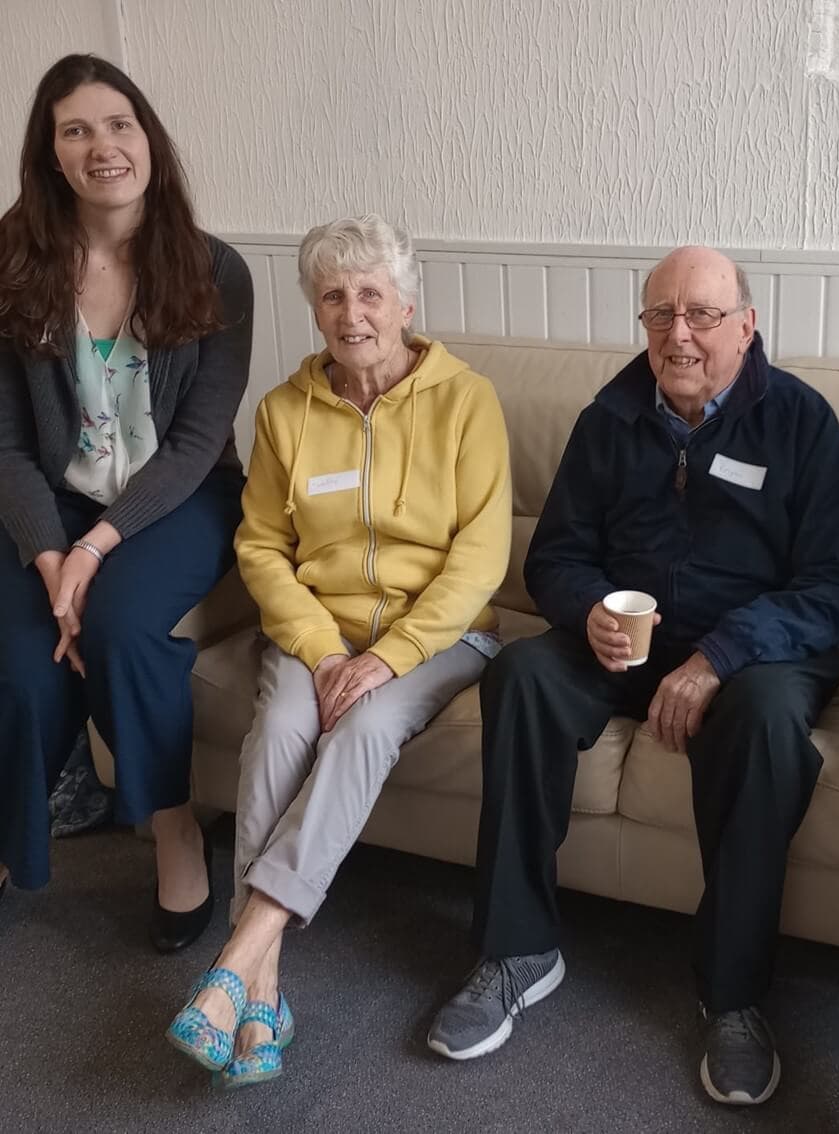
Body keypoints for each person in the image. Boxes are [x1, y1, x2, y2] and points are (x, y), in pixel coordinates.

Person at [428, 245, 839, 1106]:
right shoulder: (612, 418)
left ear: (747, 327)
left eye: (702, 315)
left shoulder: (799, 422)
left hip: (756, 655)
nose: (678, 336)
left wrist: (721, 655)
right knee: (522, 677)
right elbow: (556, 553)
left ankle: (735, 993)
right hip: (625, 646)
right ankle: (516, 950)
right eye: (660, 316)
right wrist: (590, 605)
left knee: (764, 730)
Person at [166, 215, 512, 1088]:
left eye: (369, 293)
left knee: (360, 732)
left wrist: (388, 657)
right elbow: (260, 549)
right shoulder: (285, 412)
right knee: (280, 732)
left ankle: (236, 957)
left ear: (405, 304)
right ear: (314, 309)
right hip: (314, 634)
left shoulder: (466, 400)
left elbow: (480, 559)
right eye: (332, 294)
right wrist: (323, 651)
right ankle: (263, 991)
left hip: (434, 637)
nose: (351, 312)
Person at [0, 54, 252, 948]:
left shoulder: (214, 270)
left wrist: (95, 550)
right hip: (51, 508)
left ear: (149, 141)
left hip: (176, 503)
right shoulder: (12, 264)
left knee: (115, 627)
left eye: (119, 125)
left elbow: (193, 446)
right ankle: (20, 841)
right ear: (51, 155)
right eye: (76, 130)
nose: (102, 146)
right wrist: (47, 554)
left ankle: (174, 829)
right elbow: (7, 443)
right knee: (24, 661)